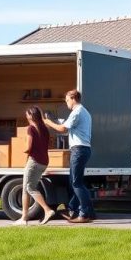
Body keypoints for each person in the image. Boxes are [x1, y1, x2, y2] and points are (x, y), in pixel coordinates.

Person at [44, 89, 94, 223]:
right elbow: (67, 130)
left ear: (73, 99)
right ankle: (74, 209)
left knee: (76, 183)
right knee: (75, 182)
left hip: (79, 150)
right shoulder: (84, 112)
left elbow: (62, 129)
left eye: (67, 100)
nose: (66, 103)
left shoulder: (76, 112)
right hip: (83, 150)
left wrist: (48, 122)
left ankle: (84, 214)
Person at [15, 106, 57, 226]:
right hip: (43, 161)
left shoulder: (31, 128)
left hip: (34, 162)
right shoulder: (44, 128)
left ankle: (47, 210)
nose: (26, 117)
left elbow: (29, 147)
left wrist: (21, 149)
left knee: (29, 187)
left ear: (31, 116)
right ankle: (24, 218)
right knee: (26, 188)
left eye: (27, 115)